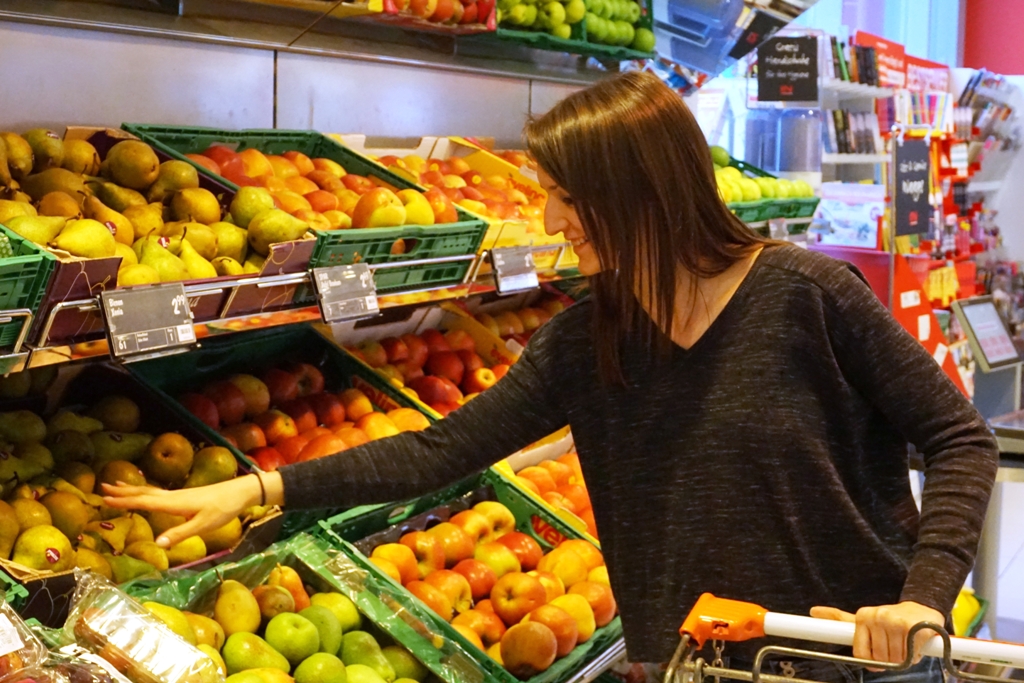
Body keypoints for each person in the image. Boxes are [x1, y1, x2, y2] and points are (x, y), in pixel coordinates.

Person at [105, 72, 998, 682]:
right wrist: (263, 486)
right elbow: (441, 449)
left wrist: (918, 599)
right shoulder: (588, 341)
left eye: (567, 197)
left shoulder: (808, 297)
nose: (550, 218)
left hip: (847, 656)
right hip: (689, 664)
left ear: (636, 191)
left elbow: (961, 437)